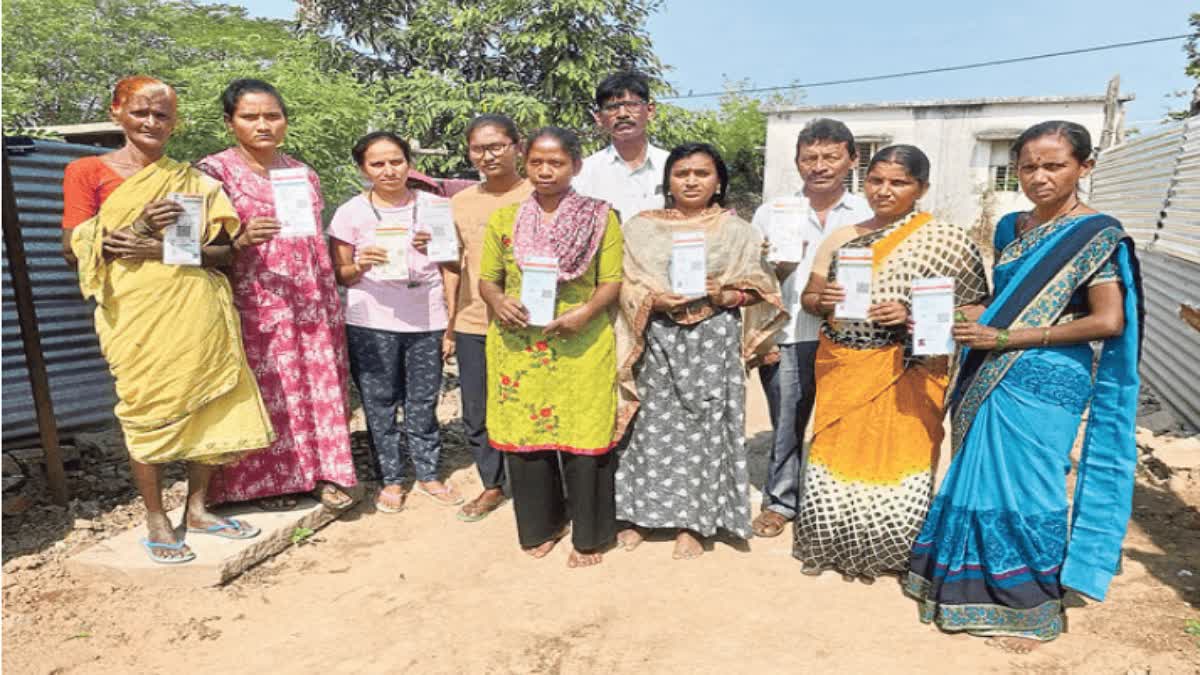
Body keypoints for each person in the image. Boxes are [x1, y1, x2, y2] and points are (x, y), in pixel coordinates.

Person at [905, 122, 1143, 649]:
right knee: (979, 476)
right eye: (1028, 166)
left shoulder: (1096, 234)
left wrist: (1010, 336)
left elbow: (1108, 322)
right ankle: (965, 584)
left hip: (1048, 375)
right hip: (993, 365)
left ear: (1085, 167)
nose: (1038, 177)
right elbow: (1001, 299)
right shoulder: (1011, 227)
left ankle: (1030, 602)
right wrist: (954, 312)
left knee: (1030, 485)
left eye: (1053, 166)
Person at [65, 76, 273, 563]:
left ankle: (198, 507)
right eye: (140, 112)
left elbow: (223, 254)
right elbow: (71, 249)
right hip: (135, 315)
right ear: (116, 112)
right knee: (145, 407)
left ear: (175, 122)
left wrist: (155, 245)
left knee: (209, 403)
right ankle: (156, 515)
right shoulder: (87, 171)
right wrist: (133, 226)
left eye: (162, 115)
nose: (152, 123)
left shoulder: (194, 181)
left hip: (197, 305)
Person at [794, 145, 989, 582]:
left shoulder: (948, 240)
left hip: (911, 366)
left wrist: (913, 315)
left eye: (898, 182)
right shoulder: (843, 238)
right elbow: (809, 299)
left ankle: (892, 551)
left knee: (900, 457)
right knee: (837, 455)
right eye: (876, 181)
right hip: (846, 361)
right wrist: (821, 300)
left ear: (921, 188)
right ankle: (830, 543)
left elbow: (978, 308)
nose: (884, 191)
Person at [613, 143, 785, 559]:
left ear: (719, 181)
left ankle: (695, 522)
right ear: (668, 181)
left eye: (702, 173)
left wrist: (725, 295)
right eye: (682, 173)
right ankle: (640, 515)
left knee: (705, 428)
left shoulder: (738, 231)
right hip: (653, 338)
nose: (691, 180)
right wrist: (654, 298)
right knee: (648, 428)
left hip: (712, 341)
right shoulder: (640, 228)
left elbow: (762, 290)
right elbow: (624, 280)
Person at [195, 79, 356, 511]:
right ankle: (257, 485)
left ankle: (320, 473)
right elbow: (189, 246)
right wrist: (242, 240)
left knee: (315, 385)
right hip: (254, 302)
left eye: (272, 115)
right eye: (250, 116)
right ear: (230, 123)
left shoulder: (302, 173)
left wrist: (326, 300)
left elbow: (313, 241)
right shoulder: (213, 173)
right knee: (269, 390)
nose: (263, 124)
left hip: (310, 300)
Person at [478, 126, 623, 568]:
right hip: (519, 345)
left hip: (580, 341)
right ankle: (541, 525)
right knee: (528, 441)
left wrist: (584, 313)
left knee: (585, 436)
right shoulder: (504, 220)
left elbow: (612, 281)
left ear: (575, 166)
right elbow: (487, 279)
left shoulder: (601, 216)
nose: (545, 171)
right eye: (537, 162)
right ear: (525, 163)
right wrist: (498, 301)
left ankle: (590, 534)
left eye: (556, 162)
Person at [749, 118, 873, 539]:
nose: (819, 166)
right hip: (788, 334)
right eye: (809, 158)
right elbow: (754, 281)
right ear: (798, 163)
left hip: (854, 335)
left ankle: (834, 503)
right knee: (786, 420)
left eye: (830, 156)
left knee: (846, 422)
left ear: (852, 159)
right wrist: (760, 337)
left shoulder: (870, 213)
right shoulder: (773, 213)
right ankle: (781, 501)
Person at [329, 131, 461, 512]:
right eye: (377, 164)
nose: (388, 170)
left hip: (427, 317)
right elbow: (341, 274)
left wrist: (433, 249)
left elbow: (454, 266)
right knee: (379, 402)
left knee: (423, 399)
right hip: (371, 318)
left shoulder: (435, 206)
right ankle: (391, 478)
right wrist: (361, 263)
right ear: (363, 168)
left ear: (409, 162)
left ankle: (429, 473)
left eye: (396, 161)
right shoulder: (351, 212)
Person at [444, 114, 534, 521]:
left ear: (518, 146)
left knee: (532, 405)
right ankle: (493, 485)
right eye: (479, 148)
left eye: (497, 145)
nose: (488, 155)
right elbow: (451, 266)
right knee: (477, 410)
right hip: (474, 321)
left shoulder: (541, 193)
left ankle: (540, 487)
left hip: (532, 322)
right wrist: (449, 324)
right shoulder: (460, 203)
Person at [574, 71, 669, 224]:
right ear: (598, 117)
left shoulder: (672, 166)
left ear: (650, 111)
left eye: (632, 105)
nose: (622, 114)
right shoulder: (583, 173)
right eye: (612, 107)